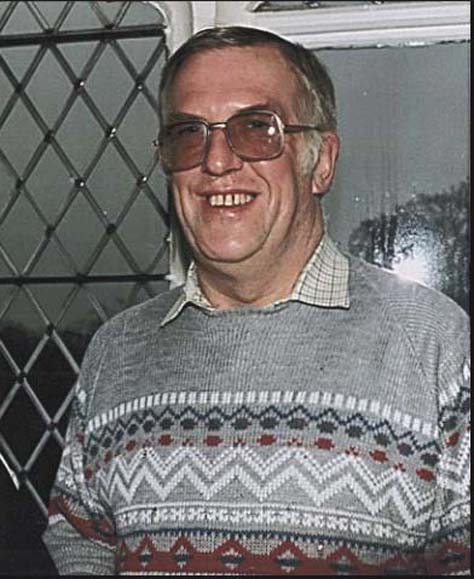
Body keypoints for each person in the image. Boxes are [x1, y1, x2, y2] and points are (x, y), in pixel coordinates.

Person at [42, 26, 470, 575]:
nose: (217, 161)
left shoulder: (432, 345)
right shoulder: (117, 351)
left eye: (256, 128)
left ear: (321, 162)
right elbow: (81, 542)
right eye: (189, 134)